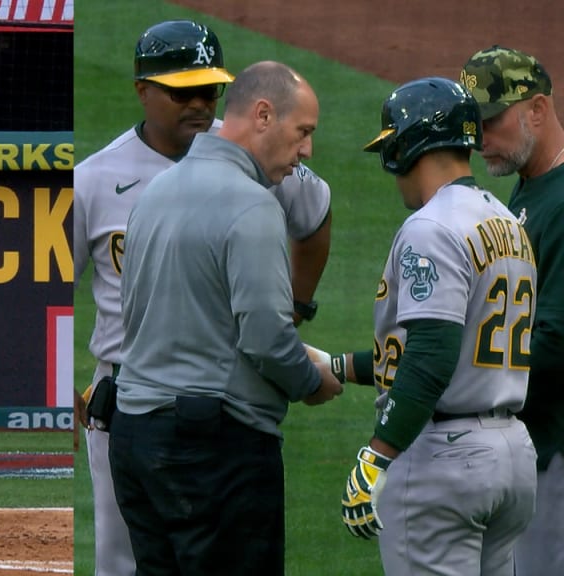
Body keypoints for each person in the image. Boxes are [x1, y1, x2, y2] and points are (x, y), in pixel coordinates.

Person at [73, 20, 333, 576]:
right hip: (125, 391)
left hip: (207, 394)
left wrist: (295, 310)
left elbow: (315, 218)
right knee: (122, 562)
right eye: (181, 91)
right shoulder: (96, 179)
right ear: (143, 90)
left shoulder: (258, 153)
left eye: (209, 90)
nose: (199, 104)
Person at [332, 76, 537, 575]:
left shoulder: (431, 227)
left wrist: (377, 455)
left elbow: (432, 352)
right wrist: (340, 365)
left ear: (408, 146)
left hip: (446, 462)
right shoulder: (506, 221)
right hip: (511, 455)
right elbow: (459, 344)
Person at [460, 46, 564, 576]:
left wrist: (463, 370)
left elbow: (556, 341)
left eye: (490, 120)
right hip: (525, 449)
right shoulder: (530, 190)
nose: (479, 140)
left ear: (538, 110)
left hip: (554, 453)